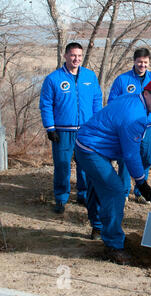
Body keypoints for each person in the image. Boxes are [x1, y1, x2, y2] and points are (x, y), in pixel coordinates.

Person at [74, 79, 151, 264]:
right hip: (91, 149)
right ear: (146, 93)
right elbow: (131, 154)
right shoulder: (134, 116)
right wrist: (141, 181)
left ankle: (99, 227)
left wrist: (140, 180)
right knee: (115, 190)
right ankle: (113, 245)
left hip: (93, 145)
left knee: (102, 185)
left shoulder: (136, 100)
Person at [39, 42, 103, 214]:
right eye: (73, 55)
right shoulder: (53, 79)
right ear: (66, 55)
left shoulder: (90, 77)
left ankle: (82, 194)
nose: (76, 59)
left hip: (86, 130)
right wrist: (50, 128)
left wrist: (97, 124)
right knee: (62, 165)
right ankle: (61, 198)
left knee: (85, 165)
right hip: (62, 130)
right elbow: (46, 104)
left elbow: (97, 100)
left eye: (79, 56)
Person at [108, 48, 151, 203]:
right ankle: (124, 191)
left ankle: (140, 190)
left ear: (149, 62)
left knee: (145, 158)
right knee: (126, 158)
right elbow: (113, 101)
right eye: (140, 62)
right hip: (128, 128)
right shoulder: (122, 80)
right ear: (134, 61)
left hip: (148, 126)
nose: (142, 65)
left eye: (145, 62)